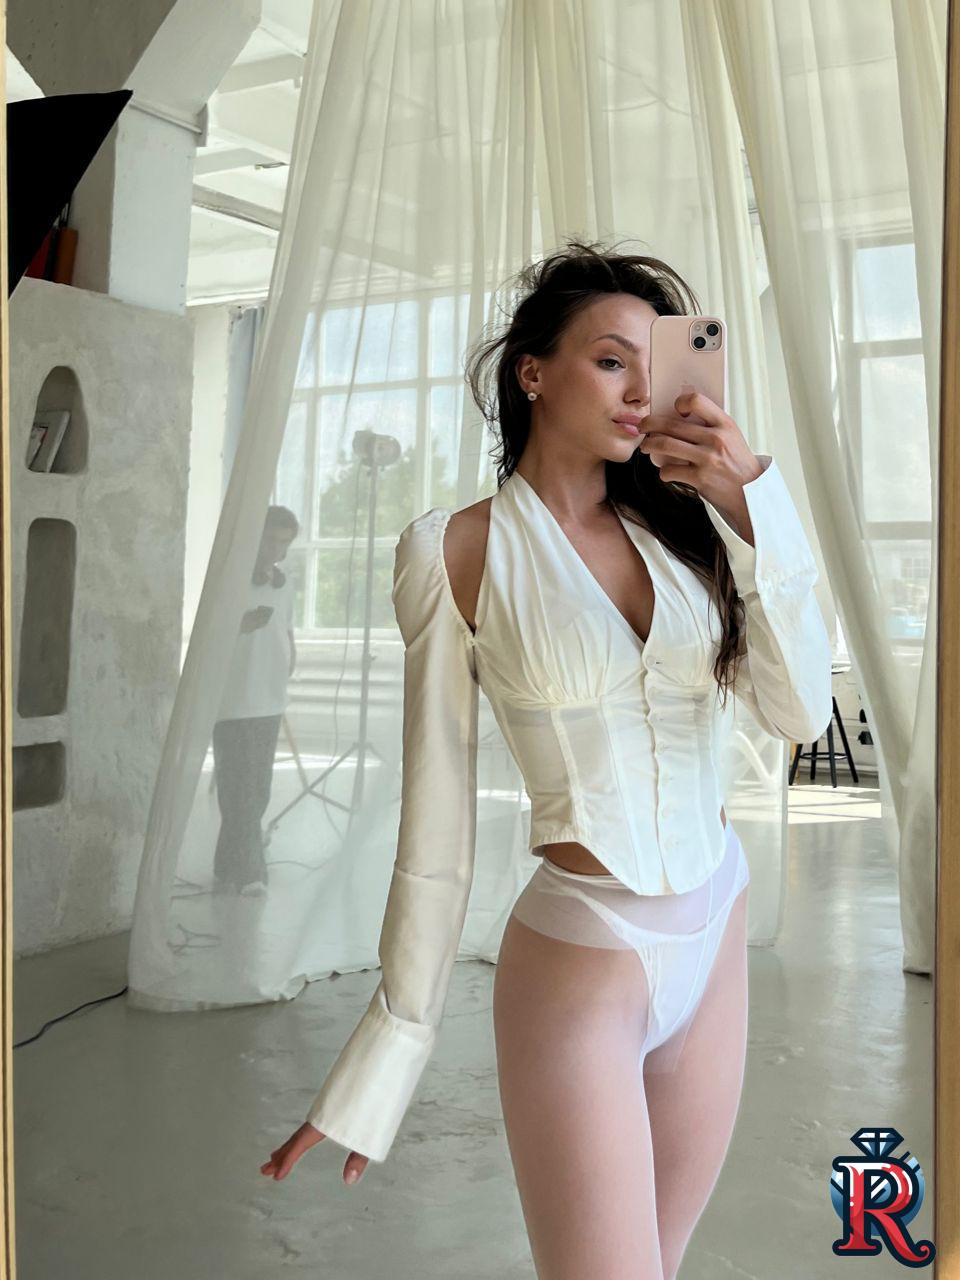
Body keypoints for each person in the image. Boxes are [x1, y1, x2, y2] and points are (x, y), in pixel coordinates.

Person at [260, 241, 833, 1278]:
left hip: (716, 919)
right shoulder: (457, 550)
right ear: (533, 370)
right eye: (611, 361)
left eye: (652, 368)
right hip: (583, 955)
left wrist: (751, 502)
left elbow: (798, 710)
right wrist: (386, 1055)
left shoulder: (688, 536)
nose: (639, 393)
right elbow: (434, 818)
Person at [212, 504, 299, 895]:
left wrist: (290, 658)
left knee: (258, 786)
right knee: (238, 788)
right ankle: (250, 872)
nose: (276, 551)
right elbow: (207, 636)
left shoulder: (285, 582)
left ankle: (227, 865)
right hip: (233, 697)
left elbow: (286, 627)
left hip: (270, 695)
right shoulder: (228, 580)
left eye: (284, 543)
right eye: (271, 541)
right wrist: (239, 625)